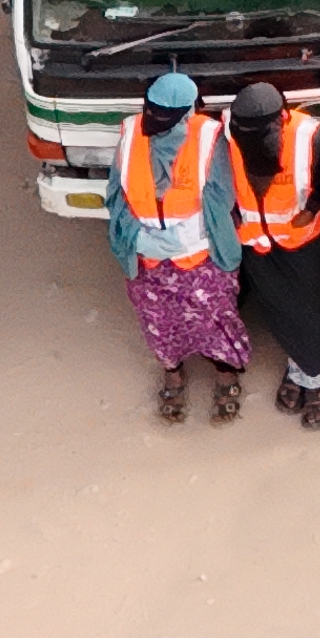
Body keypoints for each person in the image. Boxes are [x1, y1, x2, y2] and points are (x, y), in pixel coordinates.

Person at [115, 72, 251, 422]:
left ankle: (225, 372)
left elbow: (220, 199)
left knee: (214, 315)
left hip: (199, 255)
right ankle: (172, 372)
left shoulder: (209, 138)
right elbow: (117, 195)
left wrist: (215, 248)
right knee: (157, 319)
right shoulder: (130, 135)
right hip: (148, 258)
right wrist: (135, 237)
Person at [232, 87, 320, 426]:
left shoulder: (314, 139)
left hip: (306, 248)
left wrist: (314, 207)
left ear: (282, 119)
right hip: (259, 248)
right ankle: (299, 367)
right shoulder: (230, 139)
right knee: (282, 315)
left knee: (317, 317)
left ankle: (317, 380)